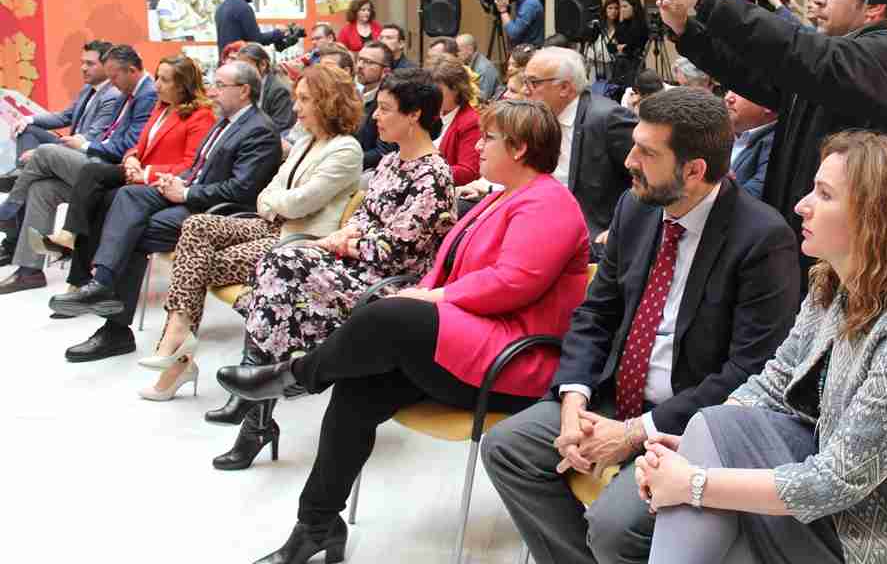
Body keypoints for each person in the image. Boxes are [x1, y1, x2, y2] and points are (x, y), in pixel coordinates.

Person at [220, 99, 591, 562]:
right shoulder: (500, 197)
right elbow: (444, 270)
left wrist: (428, 298)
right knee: (357, 389)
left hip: (514, 359)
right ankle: (315, 527)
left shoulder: (550, 203)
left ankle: (296, 375)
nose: (477, 144)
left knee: (391, 315)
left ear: (518, 149)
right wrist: (425, 293)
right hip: (473, 337)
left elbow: (512, 283)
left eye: (488, 138)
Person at [634, 131, 887, 564]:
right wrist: (701, 448)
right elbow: (774, 382)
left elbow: (838, 479)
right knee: (712, 441)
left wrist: (694, 482)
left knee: (708, 504)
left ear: (876, 217)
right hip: (840, 505)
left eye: (824, 194)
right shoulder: (835, 283)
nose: (800, 204)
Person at [483, 87, 803, 564]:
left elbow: (749, 371)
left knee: (613, 528)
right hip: (614, 398)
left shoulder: (762, 238)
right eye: (634, 143)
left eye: (647, 153)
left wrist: (635, 433)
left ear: (694, 171)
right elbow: (597, 313)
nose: (629, 160)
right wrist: (574, 399)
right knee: (506, 448)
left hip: (690, 422)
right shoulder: (636, 208)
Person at [209, 68, 457, 470]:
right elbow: (365, 219)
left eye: (386, 110)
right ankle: (266, 393)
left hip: (389, 286)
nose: (375, 116)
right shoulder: (391, 163)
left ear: (414, 116)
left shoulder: (434, 176)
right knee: (279, 262)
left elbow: (397, 249)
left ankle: (258, 404)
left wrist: (346, 242)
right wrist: (343, 237)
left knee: (282, 267)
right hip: (356, 265)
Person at [656, 0, 887, 289]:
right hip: (810, 240)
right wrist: (685, 28)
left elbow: (793, 49)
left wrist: (708, 0)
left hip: (857, 253)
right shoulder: (831, 57)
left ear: (874, 8)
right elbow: (753, 73)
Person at [139, 64, 363, 403]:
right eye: (296, 98)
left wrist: (275, 204)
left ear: (327, 102)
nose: (295, 108)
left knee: (195, 266)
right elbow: (267, 194)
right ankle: (177, 337)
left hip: (299, 244)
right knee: (196, 225)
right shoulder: (305, 143)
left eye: (303, 99)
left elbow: (299, 203)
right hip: (273, 226)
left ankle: (176, 356)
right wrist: (276, 204)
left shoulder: (346, 149)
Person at [47, 62, 281, 363]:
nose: (212, 90)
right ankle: (103, 284)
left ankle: (114, 324)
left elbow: (242, 190)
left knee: (136, 228)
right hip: (192, 195)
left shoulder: (259, 130)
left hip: (220, 214)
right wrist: (178, 179)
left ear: (244, 90)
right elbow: (199, 168)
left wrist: (185, 192)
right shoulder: (226, 121)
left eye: (221, 85)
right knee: (126, 196)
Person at [38, 56, 216, 300]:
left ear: (183, 85)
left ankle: (83, 276)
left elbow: (191, 165)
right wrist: (132, 158)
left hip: (162, 181)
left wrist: (146, 173)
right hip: (138, 172)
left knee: (102, 197)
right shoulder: (162, 107)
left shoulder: (200, 116)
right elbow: (140, 144)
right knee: (95, 189)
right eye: (156, 78)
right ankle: (81, 276)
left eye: (164, 80)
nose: (156, 85)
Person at [0, 45, 157, 289]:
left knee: (44, 152)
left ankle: (8, 209)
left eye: (114, 76)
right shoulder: (125, 90)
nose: (112, 82)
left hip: (111, 169)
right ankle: (29, 272)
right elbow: (98, 130)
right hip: (94, 162)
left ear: (132, 70)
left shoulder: (145, 95)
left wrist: (84, 145)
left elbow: (128, 145)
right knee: (42, 189)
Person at [522, 47, 635, 251]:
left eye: (534, 82)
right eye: (525, 82)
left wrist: (621, 228)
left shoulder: (607, 119)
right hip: (543, 220)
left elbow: (650, 181)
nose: (525, 90)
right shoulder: (541, 116)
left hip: (592, 236)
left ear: (565, 88)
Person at [3, 40, 121, 177]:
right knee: (27, 129)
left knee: (40, 153)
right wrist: (28, 119)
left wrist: (42, 152)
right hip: (70, 144)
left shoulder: (113, 95)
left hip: (85, 153)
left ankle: (25, 176)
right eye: (83, 62)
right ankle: (24, 173)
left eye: (90, 64)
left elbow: (92, 137)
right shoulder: (88, 88)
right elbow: (65, 116)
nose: (83, 68)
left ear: (108, 66)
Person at [428, 54, 482, 186]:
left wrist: (424, 173)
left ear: (456, 89)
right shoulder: (433, 115)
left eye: (438, 90)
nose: (432, 95)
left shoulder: (471, 122)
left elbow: (468, 171)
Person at [354, 41, 397, 179]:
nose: (360, 66)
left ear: (385, 71)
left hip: (371, 173)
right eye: (360, 59)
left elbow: (383, 152)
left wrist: (343, 159)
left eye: (368, 62)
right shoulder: (353, 94)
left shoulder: (389, 102)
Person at [726, 91, 777, 200]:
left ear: (768, 106)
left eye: (738, 92)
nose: (728, 98)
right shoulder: (721, 130)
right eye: (728, 91)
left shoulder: (776, 144)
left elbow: (752, 197)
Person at [216, 0, 287, 51]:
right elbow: (256, 40)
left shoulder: (221, 7)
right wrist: (278, 33)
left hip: (226, 60)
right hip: (240, 61)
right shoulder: (243, 8)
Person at [237, 42, 296, 135]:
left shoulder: (279, 90)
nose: (242, 72)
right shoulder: (248, 85)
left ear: (263, 65)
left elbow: (282, 126)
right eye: (240, 67)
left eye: (247, 67)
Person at [611, 0, 650, 89]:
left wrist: (623, 47)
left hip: (634, 65)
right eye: (621, 7)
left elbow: (635, 47)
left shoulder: (642, 26)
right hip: (619, 65)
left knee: (632, 92)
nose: (622, 10)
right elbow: (610, 46)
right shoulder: (621, 25)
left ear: (634, 7)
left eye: (625, 6)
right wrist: (622, 47)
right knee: (616, 93)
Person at [456, 32, 501, 100]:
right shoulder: (466, 63)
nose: (456, 54)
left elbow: (483, 98)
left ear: (470, 50)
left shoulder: (484, 68)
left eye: (458, 50)